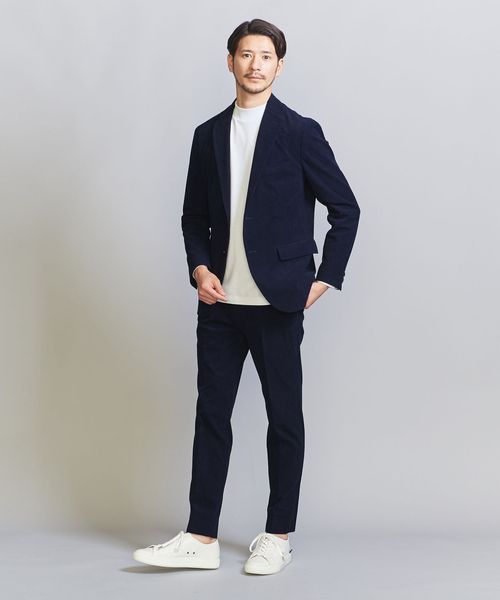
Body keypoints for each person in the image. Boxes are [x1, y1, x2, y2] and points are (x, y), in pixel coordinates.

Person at [133, 18, 360, 575]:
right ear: (230, 61)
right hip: (220, 304)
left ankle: (277, 535)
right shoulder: (208, 134)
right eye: (245, 54)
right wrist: (198, 267)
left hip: (279, 302)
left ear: (279, 66)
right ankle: (200, 537)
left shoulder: (300, 132)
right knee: (211, 416)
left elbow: (345, 208)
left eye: (265, 56)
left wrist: (324, 277)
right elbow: (192, 216)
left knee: (284, 419)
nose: (255, 65)